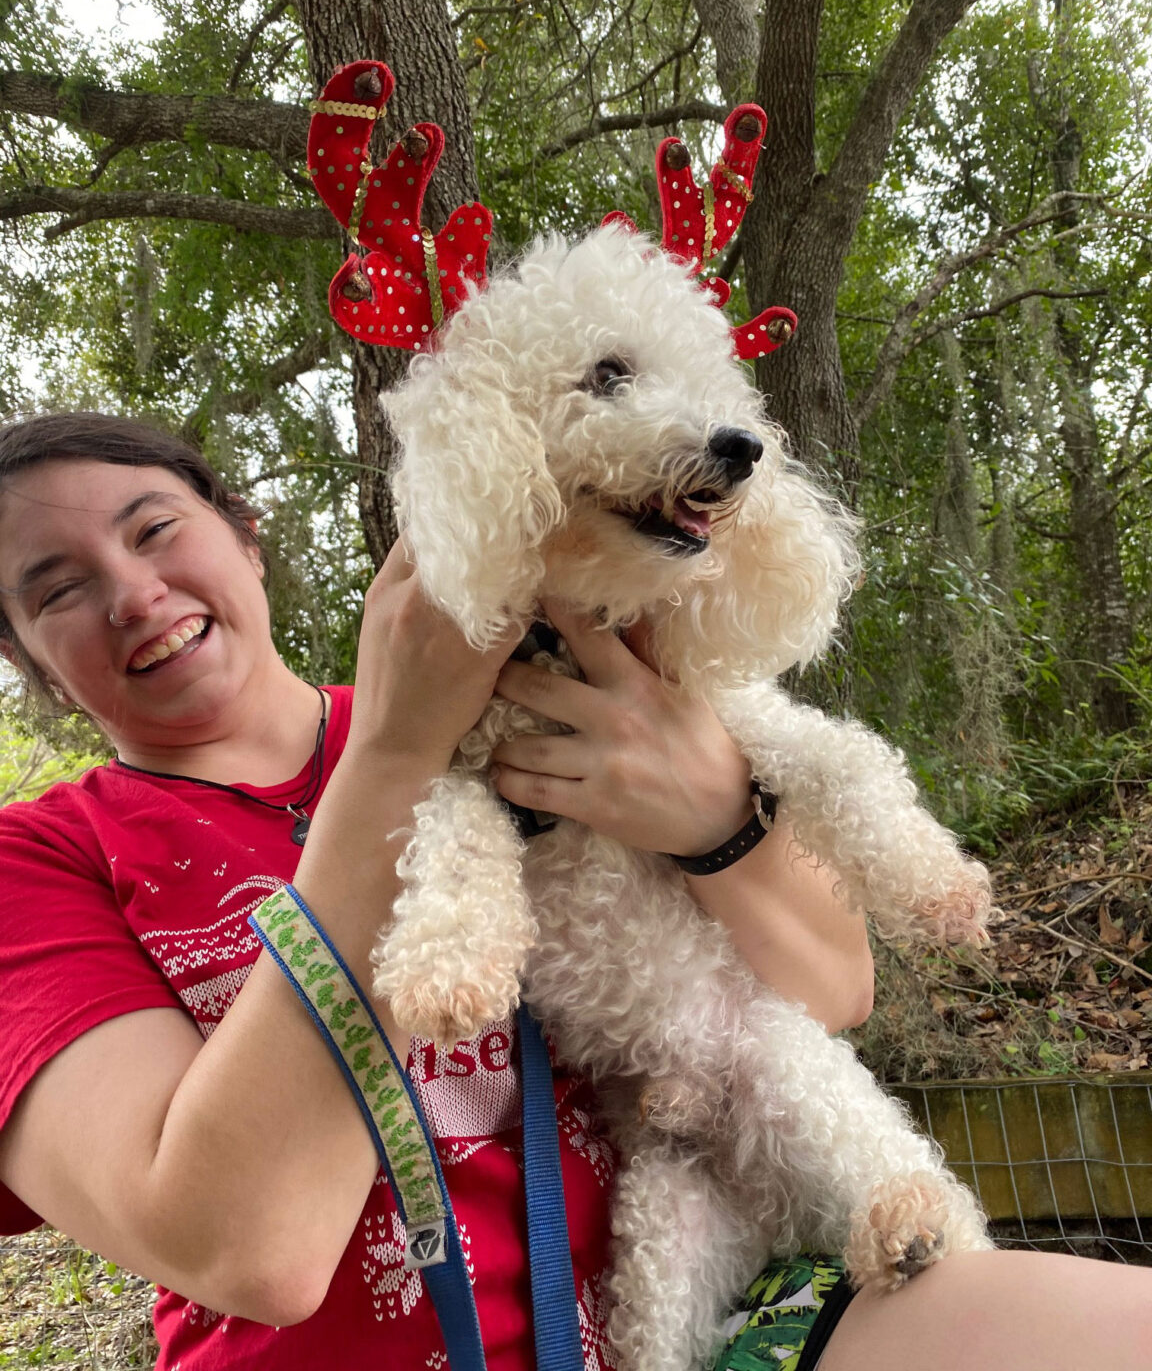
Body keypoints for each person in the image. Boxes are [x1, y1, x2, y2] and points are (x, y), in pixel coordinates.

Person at [0, 412, 1147, 1371]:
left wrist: (718, 823)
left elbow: (835, 987)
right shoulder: (39, 862)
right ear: (27, 664)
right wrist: (394, 759)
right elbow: (250, 1252)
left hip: (715, 1322)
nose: (133, 592)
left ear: (245, 538)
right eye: (58, 590)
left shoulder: (533, 696)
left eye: (155, 529)